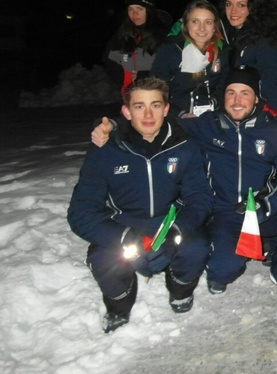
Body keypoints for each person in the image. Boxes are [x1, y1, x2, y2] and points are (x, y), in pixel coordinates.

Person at [91, 67, 277, 300]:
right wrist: (113, 126)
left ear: (256, 98)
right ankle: (227, 257)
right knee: (223, 273)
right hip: (222, 212)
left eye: (245, 93)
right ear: (223, 97)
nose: (237, 100)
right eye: (231, 93)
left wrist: (266, 204)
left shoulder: (274, 132)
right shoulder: (206, 125)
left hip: (260, 210)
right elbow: (153, 121)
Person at [69, 77, 213, 333]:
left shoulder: (185, 148)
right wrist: (124, 238)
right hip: (124, 226)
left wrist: (175, 231)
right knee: (103, 258)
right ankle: (119, 304)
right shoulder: (105, 151)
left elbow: (200, 198)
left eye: (155, 105)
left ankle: (180, 289)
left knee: (197, 246)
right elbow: (81, 212)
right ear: (126, 111)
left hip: (168, 222)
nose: (148, 114)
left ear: (166, 109)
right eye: (139, 106)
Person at [151, 0, 229, 117]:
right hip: (176, 117)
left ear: (215, 26)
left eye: (208, 22)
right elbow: (154, 92)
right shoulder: (171, 51)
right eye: (195, 21)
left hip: (212, 116)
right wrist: (180, 114)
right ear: (186, 25)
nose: (201, 28)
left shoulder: (223, 51)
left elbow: (225, 88)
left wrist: (215, 105)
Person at [219, 0, 277, 114]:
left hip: (261, 116)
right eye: (229, 4)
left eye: (241, 5)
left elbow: (272, 85)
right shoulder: (233, 37)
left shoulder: (262, 41)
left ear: (253, 8)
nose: (233, 11)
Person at [102, 0, 167, 94]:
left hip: (156, 94)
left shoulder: (162, 34)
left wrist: (144, 75)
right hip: (129, 94)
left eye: (139, 9)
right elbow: (110, 59)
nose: (134, 13)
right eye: (130, 9)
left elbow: (169, 66)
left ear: (149, 10)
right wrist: (123, 77)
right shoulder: (123, 33)